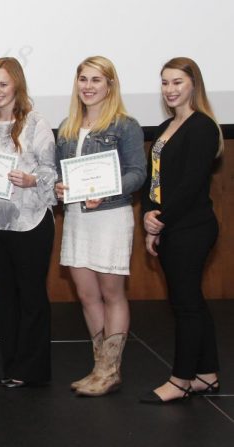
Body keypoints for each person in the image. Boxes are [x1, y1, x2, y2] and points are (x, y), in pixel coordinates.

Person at [54, 56, 145, 396]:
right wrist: (59, 188)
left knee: (111, 294)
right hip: (77, 217)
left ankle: (111, 369)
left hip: (110, 216)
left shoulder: (125, 125)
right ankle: (99, 367)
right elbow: (60, 176)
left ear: (110, 85)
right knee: (87, 295)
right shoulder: (67, 126)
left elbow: (138, 172)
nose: (88, 86)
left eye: (96, 80)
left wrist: (106, 191)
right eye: (83, 79)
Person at [139, 57, 224, 404]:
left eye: (177, 82)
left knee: (185, 305)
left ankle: (181, 379)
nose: (170, 89)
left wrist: (160, 218)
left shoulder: (202, 127)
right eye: (165, 82)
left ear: (193, 84)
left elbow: (190, 185)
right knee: (191, 301)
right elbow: (154, 179)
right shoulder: (164, 127)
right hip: (169, 225)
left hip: (192, 227)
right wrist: (147, 216)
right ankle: (207, 374)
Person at [0, 58, 57, 388]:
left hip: (30, 223)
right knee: (4, 299)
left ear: (17, 85)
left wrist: (30, 179)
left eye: (2, 84)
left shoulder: (36, 123)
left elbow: (51, 174)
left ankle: (33, 370)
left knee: (32, 298)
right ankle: (11, 367)